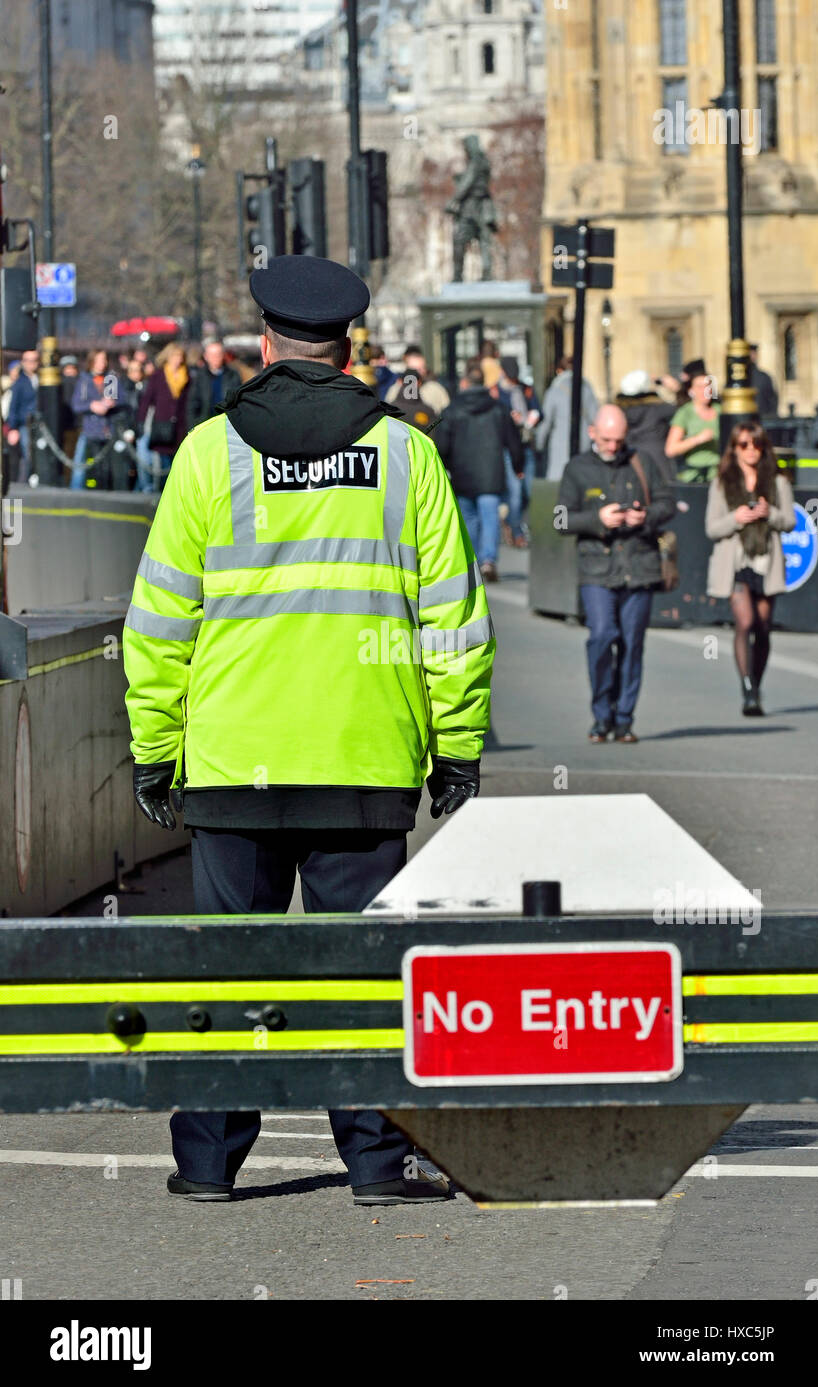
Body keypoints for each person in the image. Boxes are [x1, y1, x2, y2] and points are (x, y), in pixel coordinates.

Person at [122, 254, 494, 1206]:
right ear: (350, 347)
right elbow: (452, 616)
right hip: (361, 758)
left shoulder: (209, 453)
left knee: (230, 965)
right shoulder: (407, 456)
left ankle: (207, 1161)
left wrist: (156, 749)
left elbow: (160, 623)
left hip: (231, 759)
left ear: (264, 345)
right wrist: (456, 744)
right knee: (358, 973)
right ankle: (377, 1162)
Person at [557, 404, 675, 743]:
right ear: (593, 432)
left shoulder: (642, 462)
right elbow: (560, 519)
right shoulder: (577, 468)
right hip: (597, 568)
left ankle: (624, 719)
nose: (613, 447)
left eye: (619, 440)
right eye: (607, 439)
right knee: (602, 635)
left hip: (639, 566)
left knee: (632, 643)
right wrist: (598, 519)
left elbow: (668, 503)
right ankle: (601, 714)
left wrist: (646, 516)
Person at [705, 422, 795, 716]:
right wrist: (737, 517)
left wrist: (770, 514)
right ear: (734, 448)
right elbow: (712, 528)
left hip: (766, 561)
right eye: (744, 445)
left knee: (763, 627)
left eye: (756, 444)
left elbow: (790, 522)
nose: (751, 451)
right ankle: (748, 689)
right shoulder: (722, 482)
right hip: (737, 562)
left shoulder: (777, 481)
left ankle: (757, 681)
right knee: (744, 622)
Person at [435, 361, 524, 583]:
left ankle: (472, 561)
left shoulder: (453, 410)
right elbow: (513, 441)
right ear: (483, 383)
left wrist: (445, 465)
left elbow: (442, 445)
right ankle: (488, 560)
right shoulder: (498, 409)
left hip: (462, 473)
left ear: (465, 382)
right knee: (489, 516)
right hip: (491, 473)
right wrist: (518, 465)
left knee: (469, 519)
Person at [135, 341, 190, 492]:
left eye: (180, 356)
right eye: (175, 356)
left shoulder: (187, 376)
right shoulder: (158, 376)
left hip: (180, 426)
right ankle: (158, 490)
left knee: (178, 461)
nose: (178, 359)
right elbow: (147, 401)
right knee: (161, 462)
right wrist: (140, 421)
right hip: (161, 425)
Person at [535, 356, 599, 482]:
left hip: (560, 445)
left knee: (559, 483)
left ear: (559, 370)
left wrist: (539, 445)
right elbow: (595, 418)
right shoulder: (586, 388)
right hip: (584, 443)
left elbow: (546, 422)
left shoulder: (554, 390)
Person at [70, 349, 126, 489]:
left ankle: (108, 491)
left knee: (108, 468)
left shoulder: (110, 379)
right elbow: (76, 404)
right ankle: (88, 490)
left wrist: (112, 402)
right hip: (91, 430)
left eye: (104, 360)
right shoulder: (84, 380)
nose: (102, 363)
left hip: (109, 429)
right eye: (99, 360)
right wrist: (91, 405)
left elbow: (123, 400)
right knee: (92, 466)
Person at [493, 356, 533, 548]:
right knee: (515, 493)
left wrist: (532, 417)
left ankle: (515, 523)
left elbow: (537, 408)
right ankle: (517, 532)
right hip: (509, 448)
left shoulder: (525, 389)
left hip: (526, 444)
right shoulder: (495, 392)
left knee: (529, 491)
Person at [615, 370, 679, 482]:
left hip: (629, 465)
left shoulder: (618, 412)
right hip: (659, 468)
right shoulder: (659, 409)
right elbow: (688, 408)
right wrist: (677, 389)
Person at [665, 370, 721, 482]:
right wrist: (698, 439)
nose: (705, 390)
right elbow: (670, 449)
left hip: (718, 476)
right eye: (700, 387)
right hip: (693, 477)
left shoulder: (720, 411)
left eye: (707, 386)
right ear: (691, 390)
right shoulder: (685, 413)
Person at [187, 339, 243, 430]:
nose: (215, 358)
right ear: (206, 356)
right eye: (212, 355)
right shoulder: (200, 376)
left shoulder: (233, 375)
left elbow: (238, 402)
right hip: (204, 425)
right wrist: (193, 426)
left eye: (218, 354)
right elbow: (192, 404)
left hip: (226, 425)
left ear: (223, 356)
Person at [385, 345, 450, 418]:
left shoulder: (436, 389)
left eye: (422, 368)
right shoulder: (395, 390)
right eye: (415, 369)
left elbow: (447, 414)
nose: (420, 373)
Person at [6, 348, 40, 484]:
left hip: (41, 425)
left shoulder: (41, 379)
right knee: (28, 455)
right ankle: (23, 484)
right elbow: (13, 406)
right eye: (27, 361)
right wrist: (13, 428)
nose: (31, 364)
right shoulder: (20, 383)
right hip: (24, 424)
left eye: (34, 360)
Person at [749, 345, 779, 419]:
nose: (752, 357)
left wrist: (771, 416)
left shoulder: (764, 377)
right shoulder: (741, 378)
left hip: (762, 416)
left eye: (753, 354)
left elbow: (772, 399)